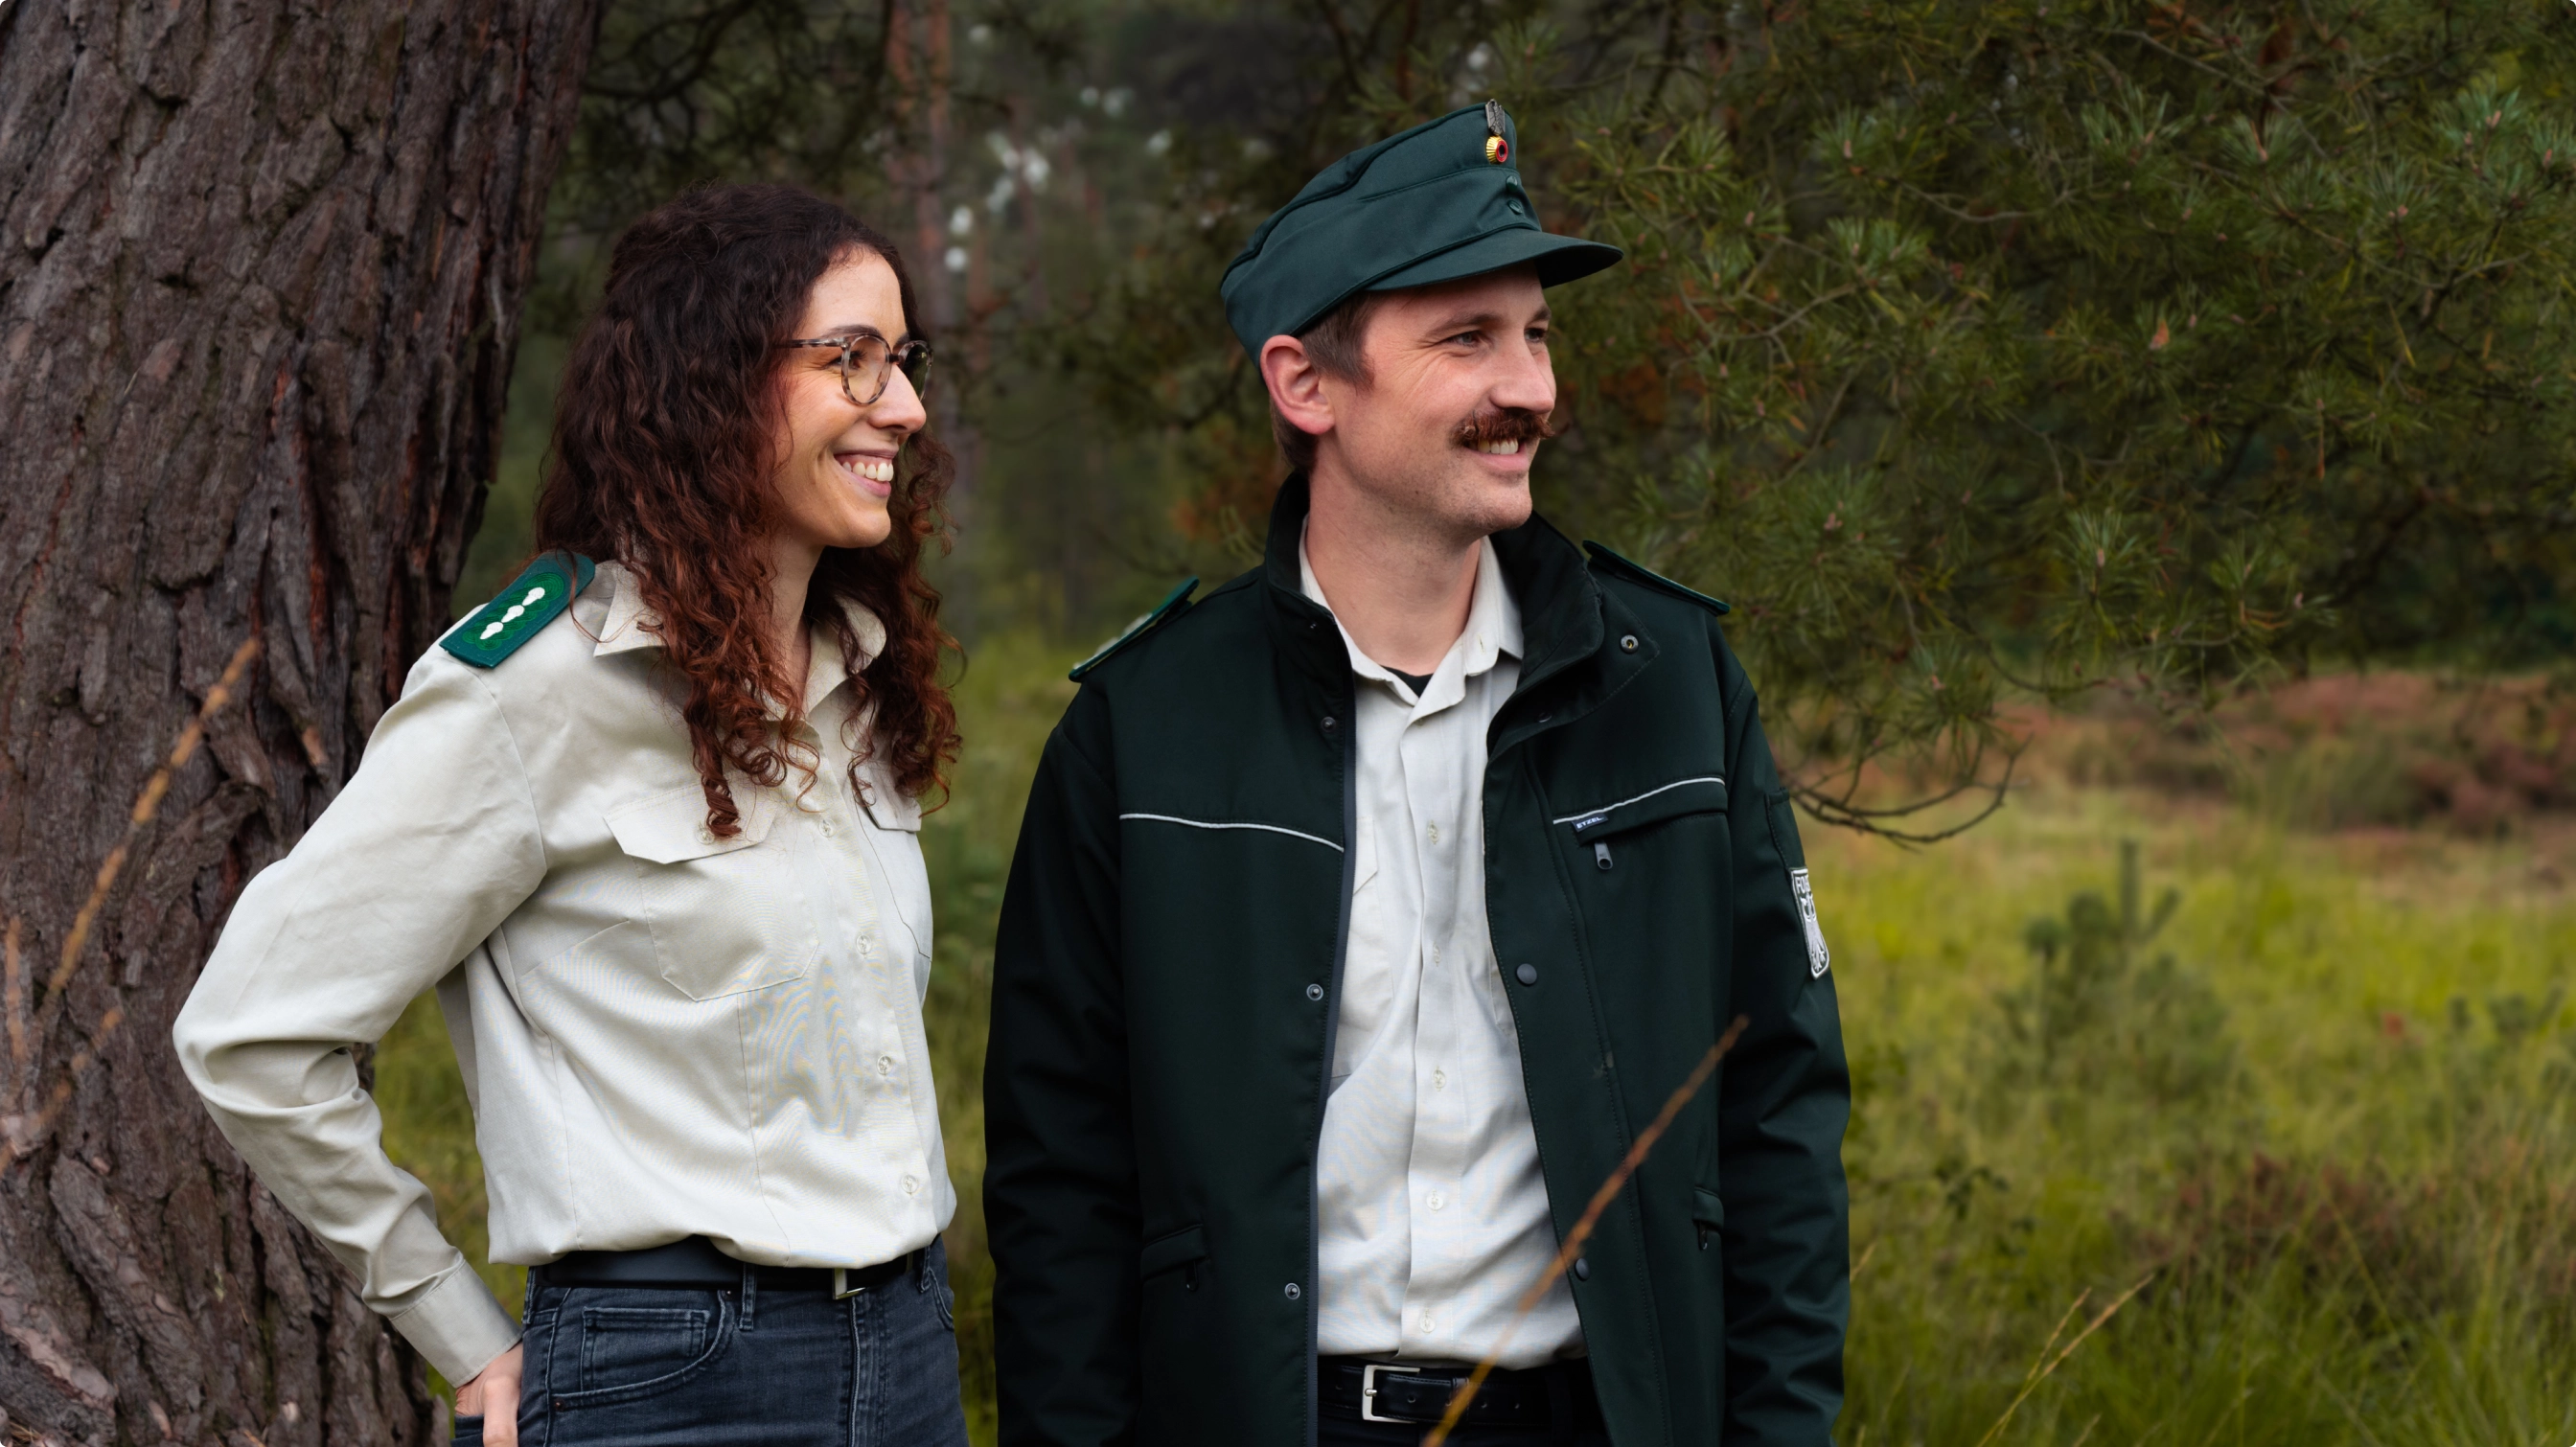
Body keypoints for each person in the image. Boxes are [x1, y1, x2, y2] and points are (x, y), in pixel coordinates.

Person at [983, 103, 1850, 1445]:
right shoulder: (1144, 729)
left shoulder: (1672, 684)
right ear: (1305, 384)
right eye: (1467, 339)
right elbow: (1062, 1183)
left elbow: (1780, 1110)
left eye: (1536, 335)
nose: (1532, 388)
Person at [173, 183, 971, 1447]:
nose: (907, 406)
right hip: (670, 1382)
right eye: (852, 359)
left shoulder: (858, 681)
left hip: (910, 1350)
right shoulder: (534, 691)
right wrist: (456, 1324)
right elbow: (253, 1033)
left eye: (904, 358)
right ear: (714, 381)